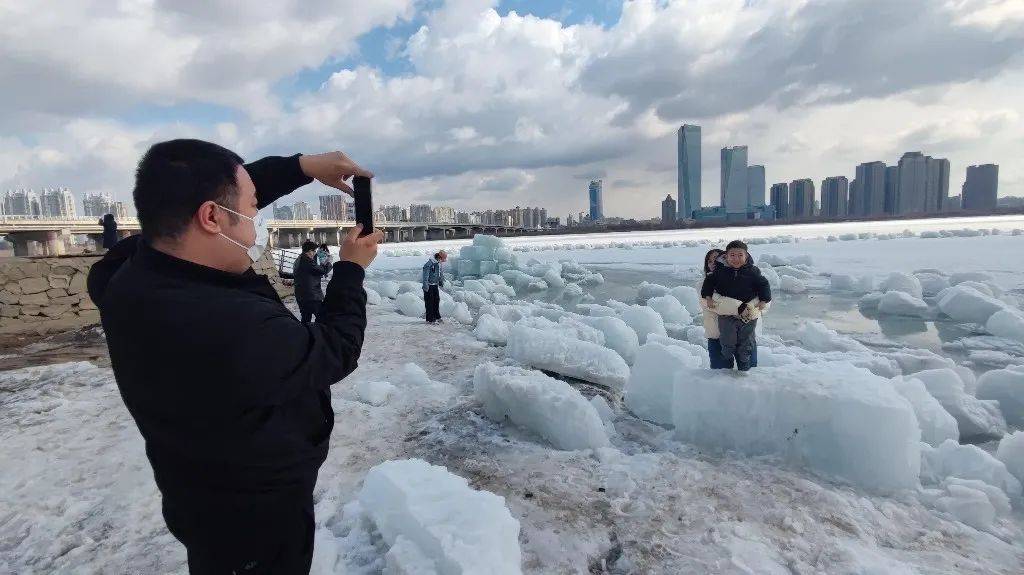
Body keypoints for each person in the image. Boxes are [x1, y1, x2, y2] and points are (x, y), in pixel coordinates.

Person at [87, 138, 382, 574]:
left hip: (198, 494)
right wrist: (351, 269)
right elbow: (335, 350)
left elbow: (205, 195)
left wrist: (301, 167)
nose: (254, 222)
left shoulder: (125, 274)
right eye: (251, 209)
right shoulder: (229, 322)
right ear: (210, 217)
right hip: (257, 517)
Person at [701, 240, 771, 371]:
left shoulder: (752, 272)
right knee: (722, 374)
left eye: (740, 255)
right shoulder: (707, 281)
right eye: (711, 261)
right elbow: (715, 303)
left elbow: (763, 295)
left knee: (747, 370)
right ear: (726, 258)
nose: (714, 263)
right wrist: (741, 308)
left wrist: (763, 300)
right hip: (718, 337)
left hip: (746, 330)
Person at [294, 240, 332, 323]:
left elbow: (314, 271)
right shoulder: (307, 261)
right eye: (314, 251)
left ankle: (305, 335)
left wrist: (322, 264)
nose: (315, 253)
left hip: (301, 295)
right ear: (309, 251)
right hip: (311, 295)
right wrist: (329, 262)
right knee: (322, 317)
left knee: (306, 318)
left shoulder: (299, 259)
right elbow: (323, 270)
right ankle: (321, 334)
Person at [422, 250, 447, 323]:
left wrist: (441, 281)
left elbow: (439, 273)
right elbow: (425, 276)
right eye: (442, 259)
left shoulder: (438, 263)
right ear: (439, 257)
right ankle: (430, 319)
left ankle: (437, 316)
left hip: (435, 285)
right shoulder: (429, 264)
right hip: (429, 286)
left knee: (436, 301)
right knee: (430, 302)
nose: (443, 261)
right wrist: (426, 287)